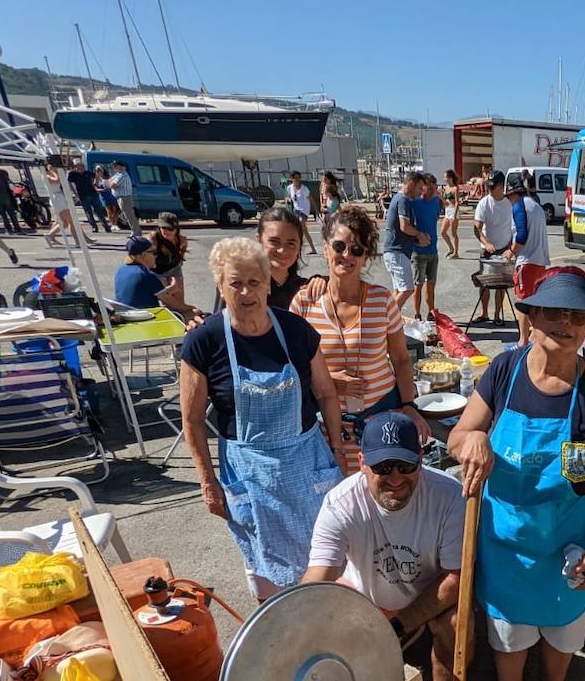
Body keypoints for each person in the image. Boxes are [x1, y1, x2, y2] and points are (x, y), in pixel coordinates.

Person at [450, 268, 585, 681]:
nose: (565, 322)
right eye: (553, 311)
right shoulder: (504, 372)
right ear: (530, 316)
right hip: (506, 545)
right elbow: (458, 435)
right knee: (509, 635)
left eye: (578, 315)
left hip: (569, 546)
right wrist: (471, 440)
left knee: (563, 632)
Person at [180, 237, 348, 600]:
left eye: (254, 282)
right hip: (249, 474)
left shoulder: (296, 330)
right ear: (220, 286)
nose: (245, 291)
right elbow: (192, 420)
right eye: (234, 282)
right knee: (265, 573)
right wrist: (207, 480)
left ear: (268, 283)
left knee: (324, 562)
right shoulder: (204, 342)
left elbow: (326, 393)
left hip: (305, 465)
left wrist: (337, 447)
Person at [304, 412, 468, 681]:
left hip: (428, 594)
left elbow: (457, 577)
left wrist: (399, 625)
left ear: (421, 459)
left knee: (456, 620)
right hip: (366, 597)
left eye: (405, 466)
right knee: (326, 616)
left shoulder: (449, 497)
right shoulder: (340, 503)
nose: (395, 478)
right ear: (362, 462)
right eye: (382, 467)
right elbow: (319, 576)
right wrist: (296, 626)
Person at [290, 206, 431, 467]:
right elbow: (292, 370)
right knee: (336, 501)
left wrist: (410, 404)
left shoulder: (381, 300)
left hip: (381, 422)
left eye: (357, 250)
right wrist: (331, 381)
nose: (346, 255)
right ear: (325, 248)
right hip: (327, 429)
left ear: (366, 257)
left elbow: (400, 359)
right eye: (339, 246)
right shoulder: (304, 302)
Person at [504, 173, 551, 344]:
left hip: (527, 261)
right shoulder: (536, 205)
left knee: (523, 302)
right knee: (535, 302)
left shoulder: (519, 206)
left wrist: (511, 251)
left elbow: (522, 236)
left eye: (509, 197)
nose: (509, 201)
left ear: (513, 194)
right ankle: (533, 336)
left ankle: (523, 340)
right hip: (540, 261)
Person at [381, 172, 431, 311]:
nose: (421, 193)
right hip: (397, 252)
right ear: (411, 184)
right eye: (419, 188)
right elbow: (405, 226)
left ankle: (393, 322)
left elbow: (401, 229)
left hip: (394, 251)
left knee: (398, 290)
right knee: (407, 289)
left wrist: (416, 240)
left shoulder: (399, 198)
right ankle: (388, 319)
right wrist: (420, 235)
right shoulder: (403, 200)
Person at [114, 235, 198, 317]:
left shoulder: (121, 270)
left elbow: (146, 294)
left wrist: (171, 289)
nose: (156, 256)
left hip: (125, 315)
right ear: (143, 255)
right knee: (192, 314)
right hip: (142, 318)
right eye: (153, 252)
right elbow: (172, 304)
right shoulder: (146, 275)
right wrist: (192, 308)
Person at [472, 171, 514, 324]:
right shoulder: (484, 203)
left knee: (501, 285)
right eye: (488, 186)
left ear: (501, 186)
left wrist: (511, 245)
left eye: (493, 186)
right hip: (487, 250)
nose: (489, 189)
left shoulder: (509, 203)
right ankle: (484, 313)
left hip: (504, 249)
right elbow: (477, 228)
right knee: (485, 283)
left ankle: (497, 314)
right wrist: (486, 242)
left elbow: (514, 226)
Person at [42, 155, 93, 248]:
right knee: (72, 221)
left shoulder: (55, 174)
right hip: (56, 198)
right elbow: (57, 181)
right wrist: (54, 172)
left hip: (60, 197)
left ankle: (50, 236)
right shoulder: (47, 175)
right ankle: (78, 242)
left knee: (64, 222)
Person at [410, 174, 442, 322]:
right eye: (429, 185)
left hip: (433, 251)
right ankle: (417, 314)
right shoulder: (414, 202)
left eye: (433, 185)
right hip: (419, 251)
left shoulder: (436, 202)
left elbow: (434, 219)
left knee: (431, 284)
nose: (432, 188)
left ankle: (431, 312)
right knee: (418, 284)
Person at [149, 212, 189, 304]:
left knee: (179, 299)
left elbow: (183, 250)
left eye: (170, 229)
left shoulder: (181, 240)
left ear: (176, 229)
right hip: (157, 270)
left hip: (174, 268)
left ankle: (180, 315)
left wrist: (180, 258)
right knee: (166, 298)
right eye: (163, 228)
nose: (166, 231)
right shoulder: (153, 239)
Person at [68, 158, 109, 233]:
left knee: (99, 211)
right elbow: (70, 183)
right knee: (88, 212)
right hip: (82, 195)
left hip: (93, 194)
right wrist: (75, 193)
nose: (79, 167)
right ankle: (94, 227)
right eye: (77, 165)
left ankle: (106, 226)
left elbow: (97, 176)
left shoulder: (88, 172)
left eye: (80, 165)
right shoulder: (72, 174)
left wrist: (94, 184)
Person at [285, 171, 318, 253]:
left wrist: (316, 210)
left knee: (301, 225)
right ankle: (311, 249)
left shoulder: (304, 189)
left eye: (298, 178)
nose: (297, 179)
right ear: (292, 179)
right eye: (295, 178)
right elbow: (289, 197)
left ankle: (301, 247)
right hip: (296, 210)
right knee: (300, 229)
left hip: (304, 210)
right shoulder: (289, 188)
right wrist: (288, 200)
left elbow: (311, 199)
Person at [108, 160, 141, 236]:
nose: (114, 168)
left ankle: (136, 232)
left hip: (124, 198)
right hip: (121, 198)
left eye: (116, 166)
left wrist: (110, 182)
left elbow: (113, 185)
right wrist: (109, 182)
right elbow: (109, 181)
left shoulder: (122, 175)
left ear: (120, 167)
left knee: (129, 216)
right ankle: (135, 231)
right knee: (128, 216)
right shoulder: (118, 174)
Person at [440, 169, 463, 258]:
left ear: (450, 178)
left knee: (453, 233)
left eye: (445, 177)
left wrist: (455, 215)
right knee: (443, 232)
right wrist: (440, 196)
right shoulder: (445, 188)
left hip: (454, 210)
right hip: (447, 210)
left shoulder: (455, 188)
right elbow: (445, 201)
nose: (444, 178)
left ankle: (456, 252)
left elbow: (457, 202)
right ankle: (451, 248)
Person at [95, 164, 121, 228]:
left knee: (115, 210)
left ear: (103, 170)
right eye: (97, 171)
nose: (99, 172)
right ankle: (112, 224)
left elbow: (112, 184)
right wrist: (101, 189)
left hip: (111, 194)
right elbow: (95, 187)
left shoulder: (108, 177)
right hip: (104, 195)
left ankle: (115, 224)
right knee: (108, 211)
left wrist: (110, 186)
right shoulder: (97, 178)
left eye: (100, 170)